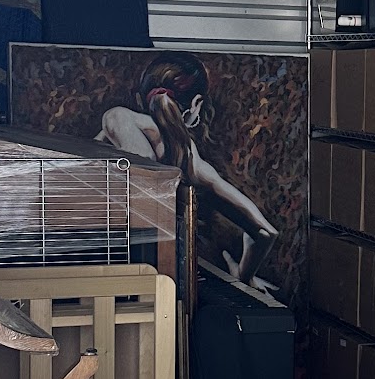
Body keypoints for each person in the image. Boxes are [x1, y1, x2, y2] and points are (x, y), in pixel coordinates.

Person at [98, 52, 279, 288]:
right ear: (196, 104)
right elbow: (265, 233)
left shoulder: (119, 117)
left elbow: (141, 169)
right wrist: (244, 278)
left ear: (140, 99)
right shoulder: (193, 164)